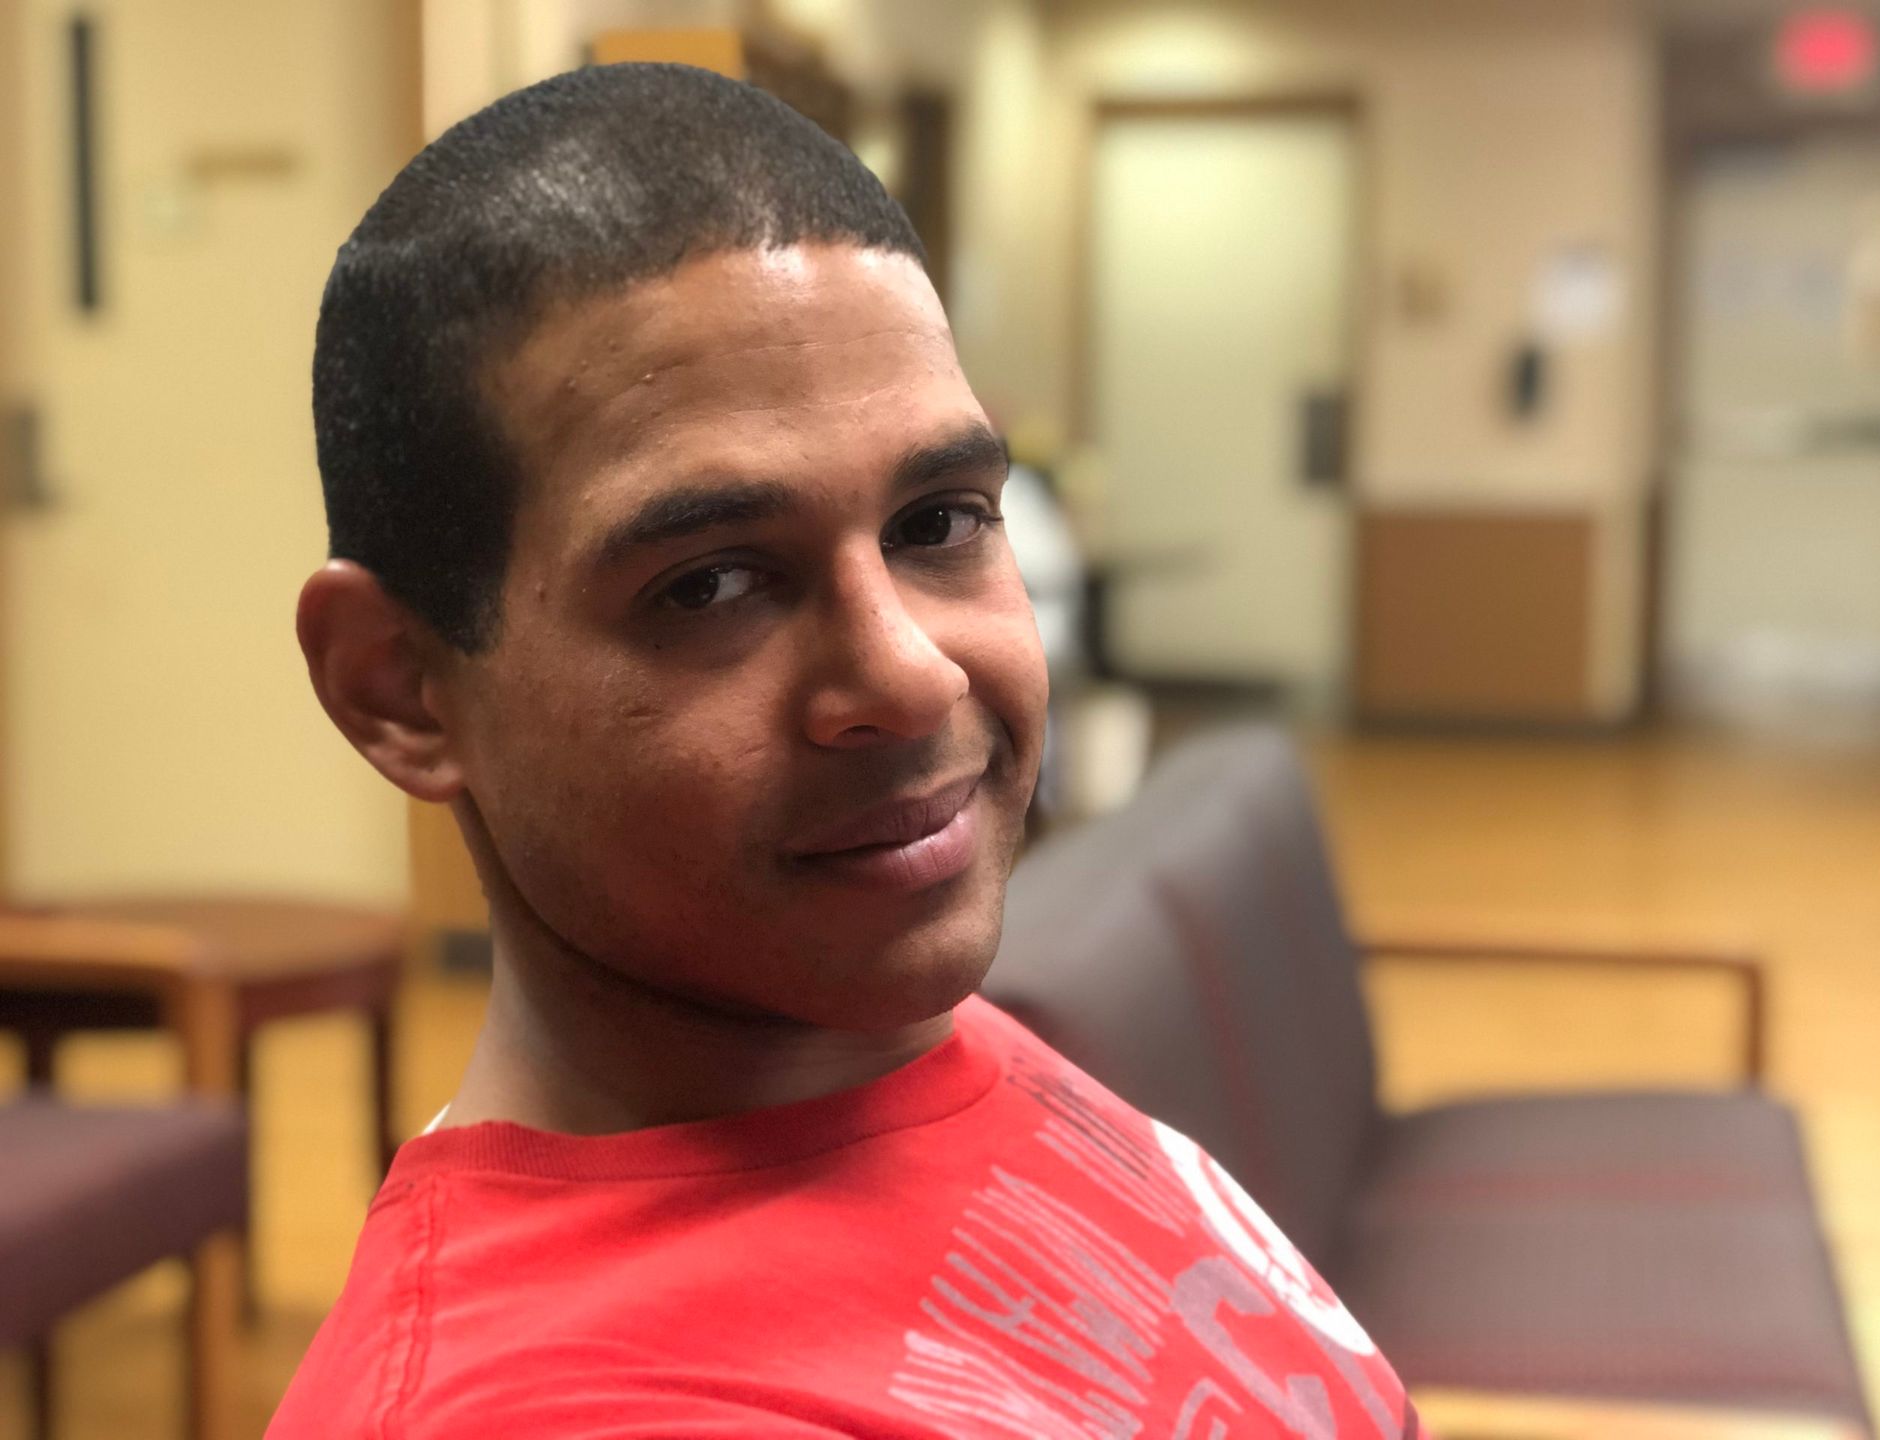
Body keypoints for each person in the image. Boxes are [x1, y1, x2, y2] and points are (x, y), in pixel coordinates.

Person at [272, 62, 1425, 1439]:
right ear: (398, 687)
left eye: (940, 522)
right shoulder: (554, 1404)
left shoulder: (900, 1034)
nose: (909, 671)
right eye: (708, 585)